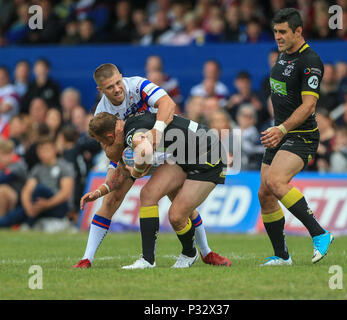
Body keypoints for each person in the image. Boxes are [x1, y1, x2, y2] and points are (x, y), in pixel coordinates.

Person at [72, 63, 231, 269]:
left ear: (122, 76)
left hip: (169, 150)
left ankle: (204, 252)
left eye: (118, 82)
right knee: (112, 199)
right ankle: (88, 258)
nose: (117, 89)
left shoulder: (137, 85)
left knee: (180, 207)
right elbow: (111, 151)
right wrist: (116, 176)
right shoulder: (103, 113)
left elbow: (167, 104)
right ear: (100, 90)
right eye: (110, 87)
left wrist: (155, 132)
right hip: (139, 150)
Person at [258, 8, 334, 266]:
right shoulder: (282, 56)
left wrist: (282, 128)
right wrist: (275, 128)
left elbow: (308, 106)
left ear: (298, 31)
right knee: (264, 194)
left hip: (301, 136)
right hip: (279, 134)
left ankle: (320, 233)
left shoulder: (310, 61)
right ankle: (281, 256)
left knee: (276, 182)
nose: (277, 36)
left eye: (283, 32)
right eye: (275, 31)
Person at [0, 136, 74, 228]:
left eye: (46, 150)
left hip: (57, 205)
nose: (43, 153)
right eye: (41, 151)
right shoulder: (37, 169)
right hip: (38, 205)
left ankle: (15, 223)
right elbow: (27, 190)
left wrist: (47, 203)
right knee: (35, 193)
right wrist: (28, 207)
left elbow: (65, 193)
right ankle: (19, 221)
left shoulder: (64, 166)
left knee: (39, 190)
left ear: (54, 150)